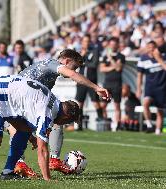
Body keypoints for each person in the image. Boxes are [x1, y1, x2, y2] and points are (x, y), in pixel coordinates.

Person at [7, 49, 110, 177]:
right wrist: (97, 88)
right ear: (66, 61)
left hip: (18, 101)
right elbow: (72, 75)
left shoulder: (49, 76)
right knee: (15, 127)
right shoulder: (51, 64)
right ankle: (21, 163)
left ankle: (50, 160)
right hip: (11, 99)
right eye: (74, 67)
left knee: (55, 118)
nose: (75, 71)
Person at [73, 34, 103, 130]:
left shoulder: (94, 51)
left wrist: (84, 63)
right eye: (84, 41)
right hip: (81, 81)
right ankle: (79, 124)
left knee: (95, 102)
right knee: (79, 103)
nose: (86, 43)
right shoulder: (79, 52)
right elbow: (76, 64)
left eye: (88, 41)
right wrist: (82, 55)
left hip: (91, 81)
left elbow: (94, 64)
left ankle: (101, 121)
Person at [136, 41, 166, 135]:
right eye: (149, 47)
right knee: (145, 103)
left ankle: (157, 131)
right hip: (149, 87)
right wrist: (138, 89)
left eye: (153, 47)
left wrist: (159, 59)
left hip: (162, 87)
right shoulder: (143, 59)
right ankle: (149, 125)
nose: (151, 49)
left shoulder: (163, 57)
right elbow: (139, 75)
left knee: (160, 111)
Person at [100, 37, 125, 130]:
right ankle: (106, 123)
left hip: (117, 84)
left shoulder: (121, 56)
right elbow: (102, 69)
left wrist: (111, 59)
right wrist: (113, 66)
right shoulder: (105, 57)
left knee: (117, 105)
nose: (113, 46)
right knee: (103, 105)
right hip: (107, 84)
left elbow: (118, 68)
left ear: (117, 45)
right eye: (111, 44)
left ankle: (117, 125)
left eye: (115, 44)